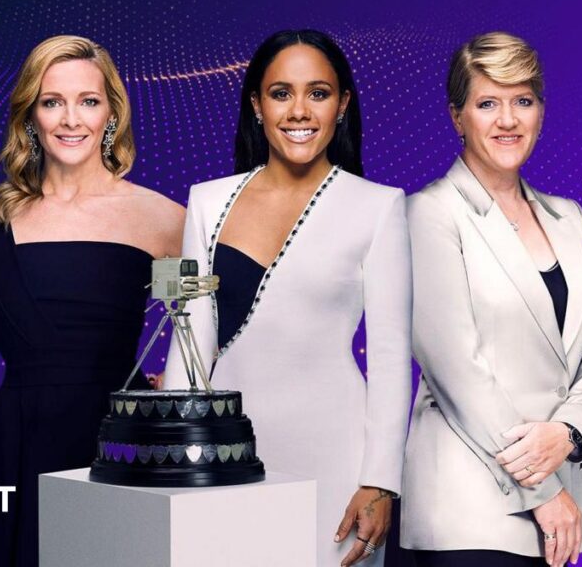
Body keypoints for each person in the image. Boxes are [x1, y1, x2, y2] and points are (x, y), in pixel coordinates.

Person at [0, 35, 184, 567]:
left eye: (88, 101)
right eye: (52, 102)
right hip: (15, 448)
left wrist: (175, 380)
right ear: (31, 115)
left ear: (111, 113)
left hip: (121, 444)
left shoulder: (161, 218)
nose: (71, 119)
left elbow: (207, 326)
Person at [162, 29, 412, 567]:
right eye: (281, 93)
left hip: (336, 457)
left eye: (318, 93)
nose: (299, 110)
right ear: (256, 104)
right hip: (224, 453)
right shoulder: (206, 202)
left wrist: (380, 482)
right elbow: (190, 340)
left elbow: (391, 355)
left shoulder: (380, 206)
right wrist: (174, 454)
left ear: (342, 104)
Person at [401, 32, 582, 567]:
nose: (507, 120)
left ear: (541, 113)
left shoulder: (568, 217)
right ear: (457, 117)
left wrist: (568, 433)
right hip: (470, 510)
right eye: (487, 104)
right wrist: (544, 490)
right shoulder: (429, 214)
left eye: (522, 100)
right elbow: (458, 371)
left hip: (563, 508)